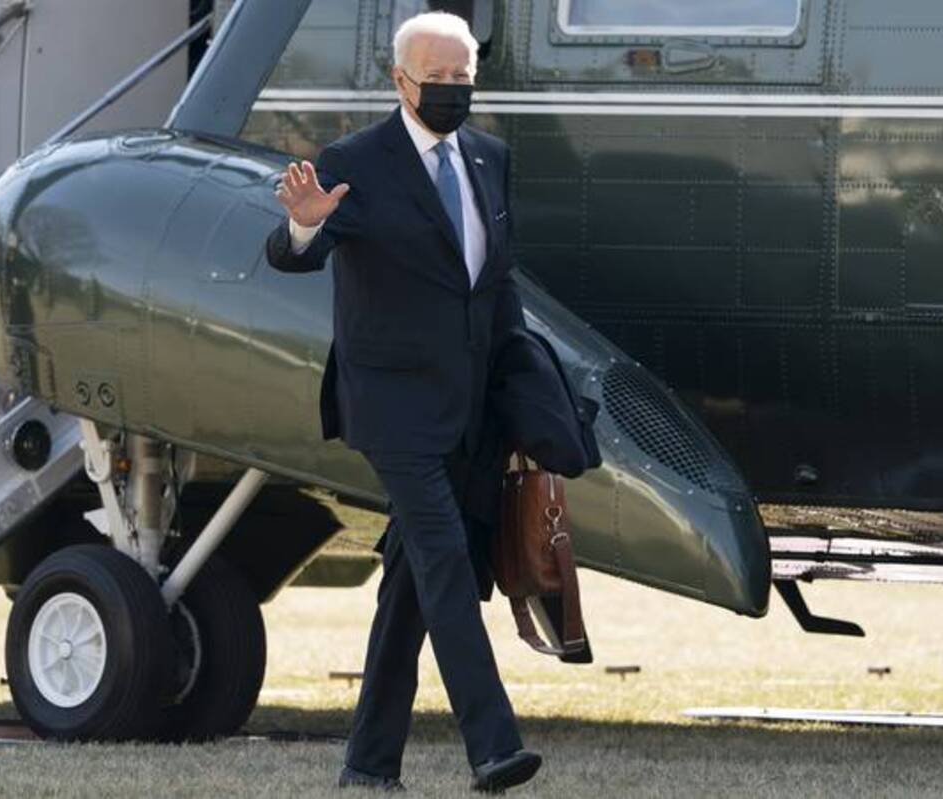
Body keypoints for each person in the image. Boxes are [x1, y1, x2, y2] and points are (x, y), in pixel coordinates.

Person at [265, 9, 541, 794]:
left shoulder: (489, 160)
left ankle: (367, 763)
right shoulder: (357, 161)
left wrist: (521, 395)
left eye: (463, 78)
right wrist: (300, 225)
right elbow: (294, 252)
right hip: (390, 406)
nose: (451, 90)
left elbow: (493, 288)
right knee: (445, 556)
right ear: (399, 80)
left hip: (466, 408)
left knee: (410, 581)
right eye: (436, 78)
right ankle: (492, 745)